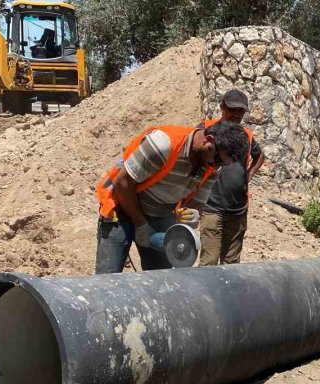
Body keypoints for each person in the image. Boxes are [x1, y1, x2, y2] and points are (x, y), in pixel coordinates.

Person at [94, 121, 248, 274]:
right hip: (122, 208)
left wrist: (192, 215)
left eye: (223, 164)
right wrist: (140, 224)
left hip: (161, 215)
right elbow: (122, 183)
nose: (216, 166)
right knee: (107, 280)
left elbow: (196, 204)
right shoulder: (164, 145)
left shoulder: (212, 168)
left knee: (162, 281)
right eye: (218, 160)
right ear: (208, 141)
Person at [198, 90, 265, 265]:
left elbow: (260, 156)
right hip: (212, 208)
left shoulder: (247, 135)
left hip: (238, 210)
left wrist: (249, 174)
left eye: (240, 111)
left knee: (232, 264)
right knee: (208, 263)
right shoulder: (207, 129)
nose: (236, 115)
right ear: (222, 107)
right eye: (232, 110)